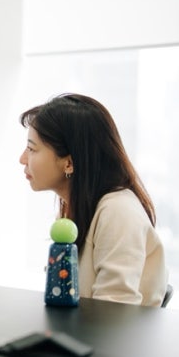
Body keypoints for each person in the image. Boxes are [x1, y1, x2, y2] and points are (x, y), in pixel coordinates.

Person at [18, 93, 168, 306]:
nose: (22, 159)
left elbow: (114, 309)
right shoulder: (73, 208)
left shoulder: (118, 212)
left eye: (32, 149)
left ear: (69, 163)